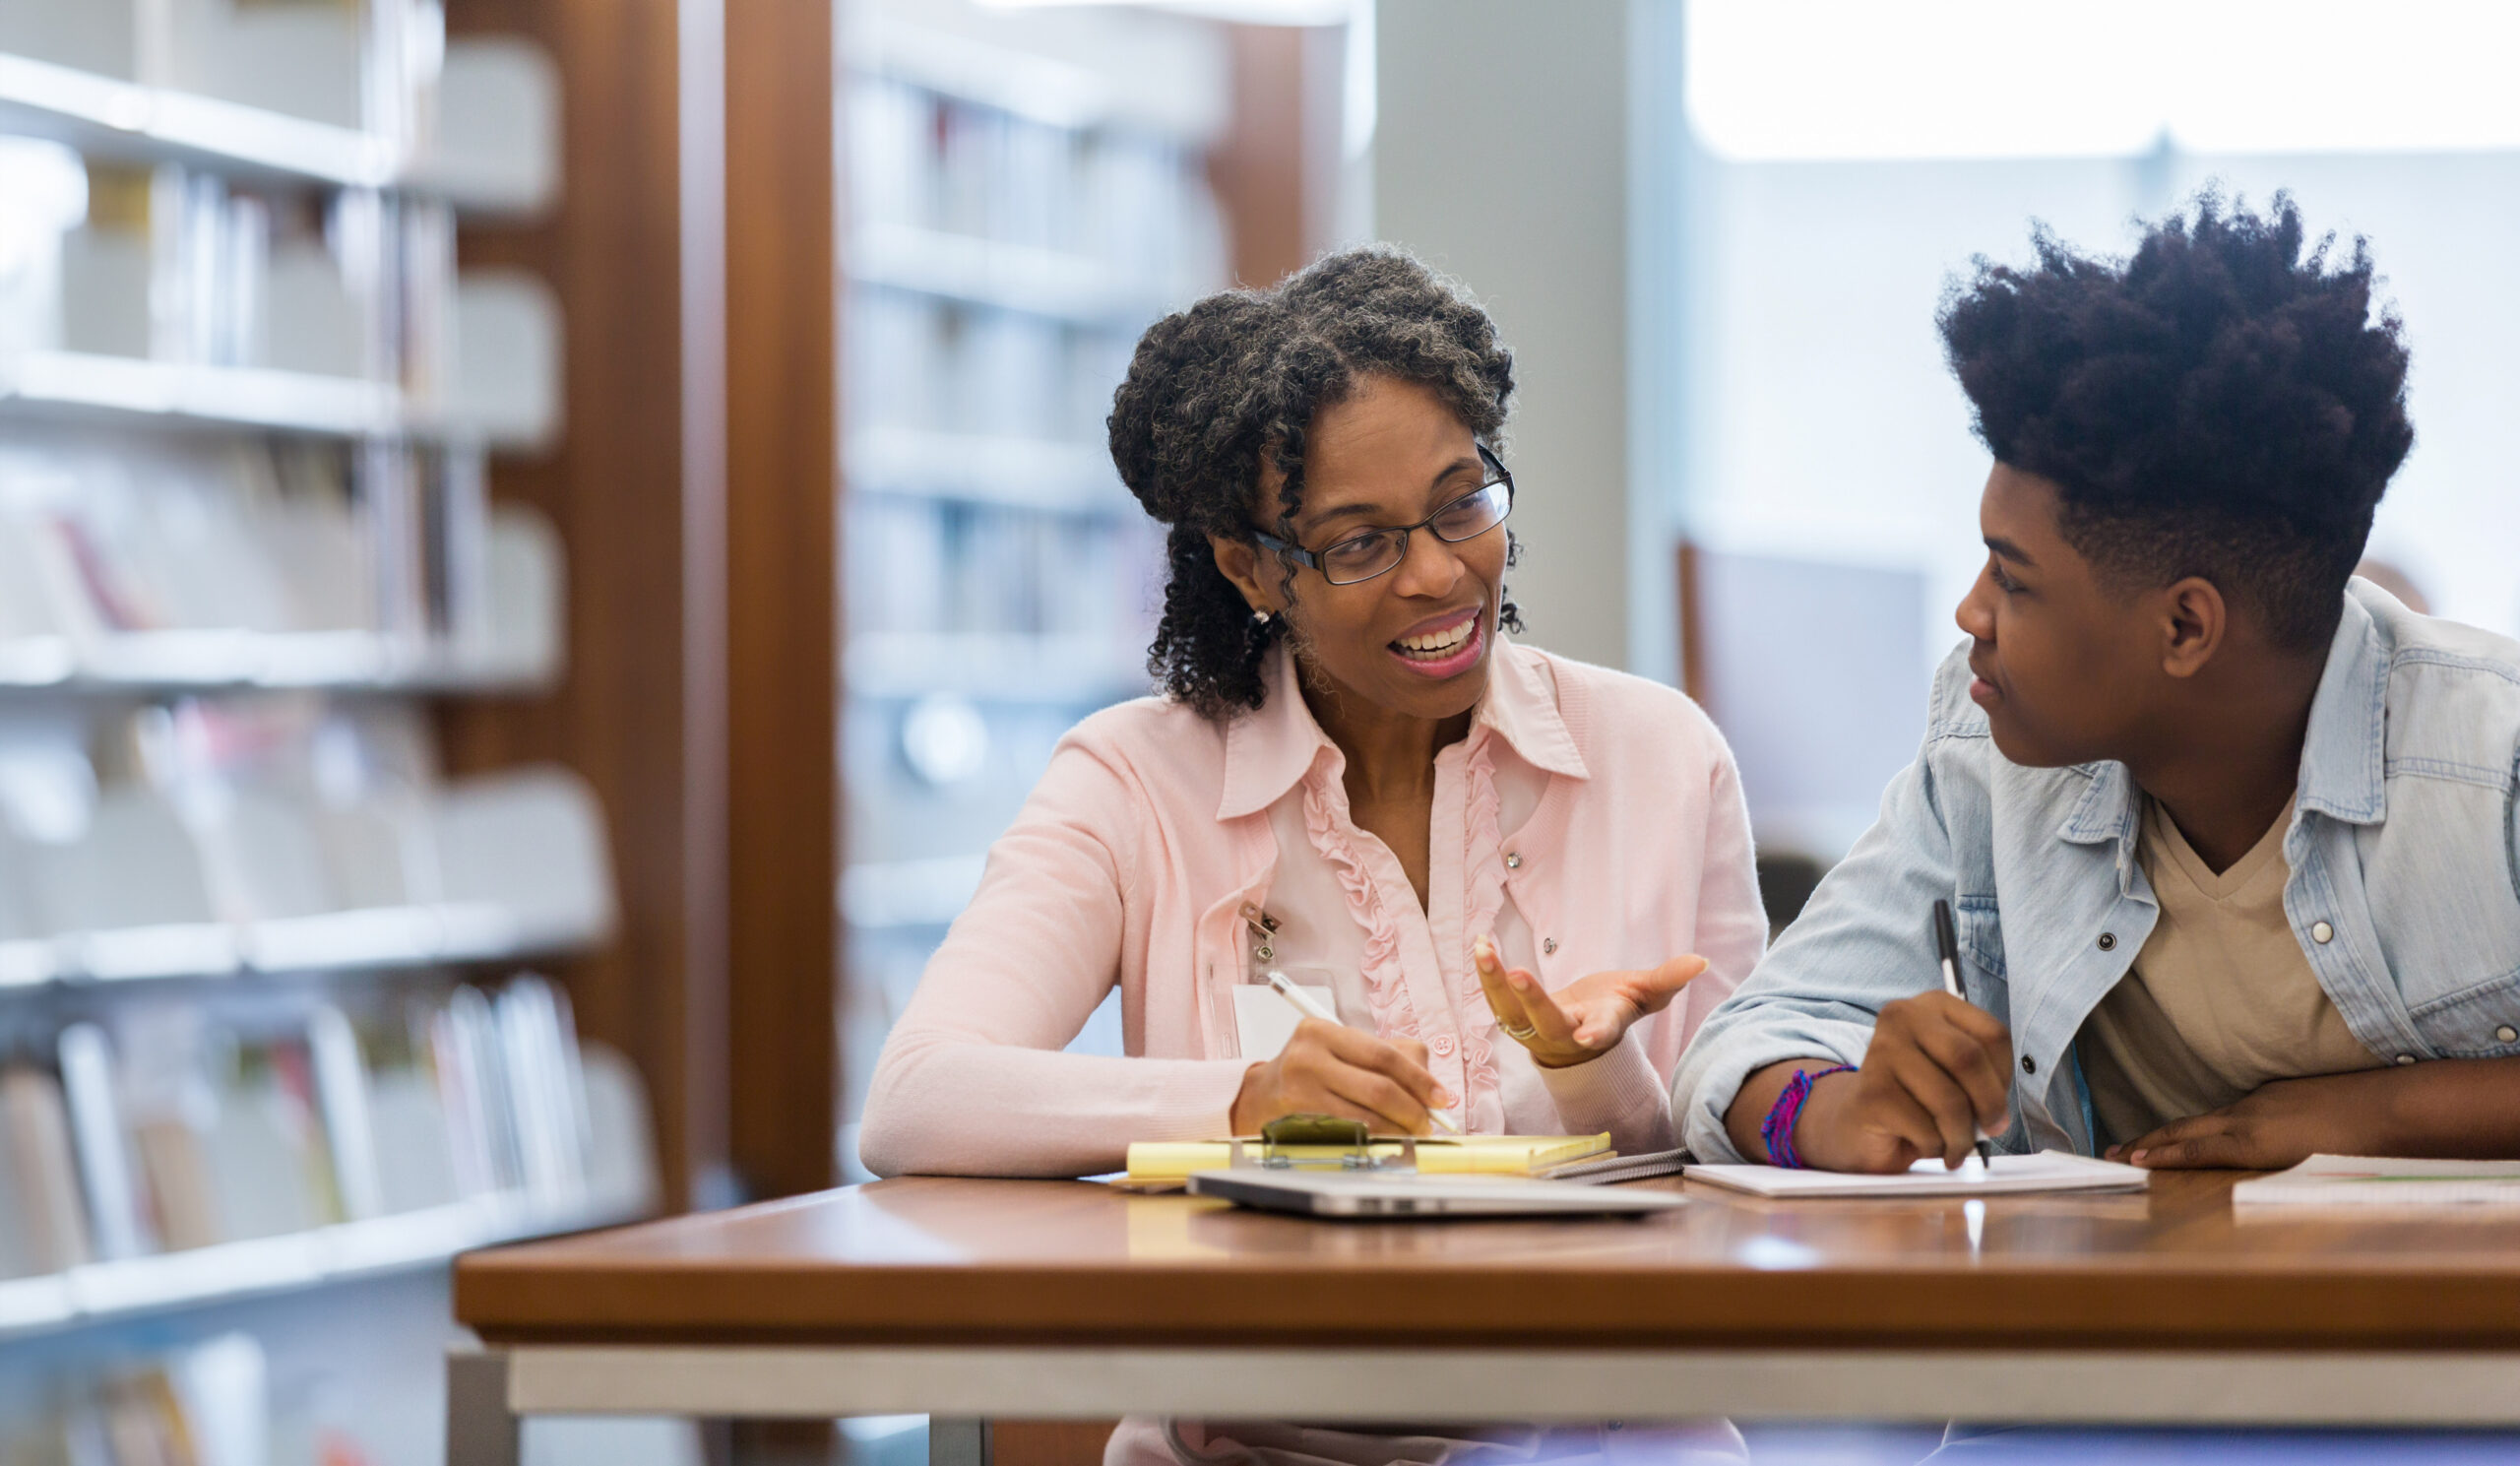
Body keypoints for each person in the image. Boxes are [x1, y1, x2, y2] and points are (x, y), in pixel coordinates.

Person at [860, 246, 1764, 1465]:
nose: (1440, 572)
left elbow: (1736, 1176)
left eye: (1462, 501)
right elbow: (917, 1097)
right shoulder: (1135, 781)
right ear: (1251, 567)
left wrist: (1595, 1073)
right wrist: (1243, 1103)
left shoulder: (1659, 755)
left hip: (1609, 1449)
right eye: (1358, 543)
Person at [1675, 193, 2520, 1175]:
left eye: (2013, 576)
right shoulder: (1985, 750)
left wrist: (2366, 1118)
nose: (1969, 613)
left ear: (2184, 626)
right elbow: (1749, 1043)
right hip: (2118, 1319)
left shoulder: (2487, 763)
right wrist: (1833, 1110)